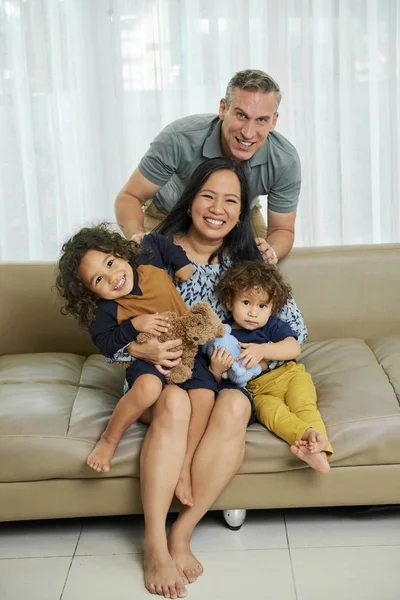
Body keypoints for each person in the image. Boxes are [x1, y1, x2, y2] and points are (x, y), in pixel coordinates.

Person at [115, 157, 307, 598]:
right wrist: (139, 346)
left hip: (221, 384)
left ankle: (182, 531)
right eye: (208, 196)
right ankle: (154, 543)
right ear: (190, 199)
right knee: (176, 402)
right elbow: (115, 322)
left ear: (242, 213)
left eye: (231, 200)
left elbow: (296, 331)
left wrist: (250, 357)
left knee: (238, 404)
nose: (217, 208)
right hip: (161, 379)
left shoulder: (250, 262)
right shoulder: (152, 250)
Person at [55, 224, 221, 475]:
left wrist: (181, 262)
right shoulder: (106, 310)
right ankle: (110, 439)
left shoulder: (146, 258)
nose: (112, 278)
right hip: (147, 361)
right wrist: (134, 326)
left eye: (110, 263)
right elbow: (107, 345)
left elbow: (156, 240)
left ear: (121, 253)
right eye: (98, 279)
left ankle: (186, 462)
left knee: (205, 396)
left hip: (185, 351)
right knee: (148, 388)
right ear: (90, 293)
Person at [115, 68, 301, 263]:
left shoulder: (285, 160)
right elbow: (130, 197)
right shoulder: (179, 138)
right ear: (223, 109)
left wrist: (267, 253)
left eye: (261, 120)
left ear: (273, 121)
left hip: (238, 218)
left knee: (261, 277)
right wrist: (138, 238)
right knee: (152, 272)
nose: (248, 132)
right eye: (241, 115)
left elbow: (282, 229)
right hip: (169, 213)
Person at [215, 260, 333, 474]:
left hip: (289, 376)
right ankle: (306, 439)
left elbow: (293, 348)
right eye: (246, 303)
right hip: (258, 391)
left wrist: (263, 350)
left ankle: (320, 451)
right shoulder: (225, 335)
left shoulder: (272, 325)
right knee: (275, 417)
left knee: (303, 406)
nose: (253, 313)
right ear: (229, 302)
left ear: (272, 308)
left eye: (262, 306)